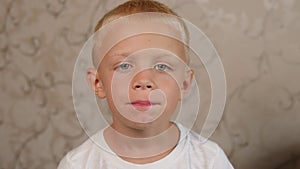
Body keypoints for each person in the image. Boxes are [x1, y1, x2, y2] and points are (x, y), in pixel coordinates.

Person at [58, 0, 234, 168]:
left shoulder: (209, 160)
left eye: (161, 66)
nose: (143, 81)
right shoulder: (77, 164)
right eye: (124, 66)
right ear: (98, 83)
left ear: (184, 84)